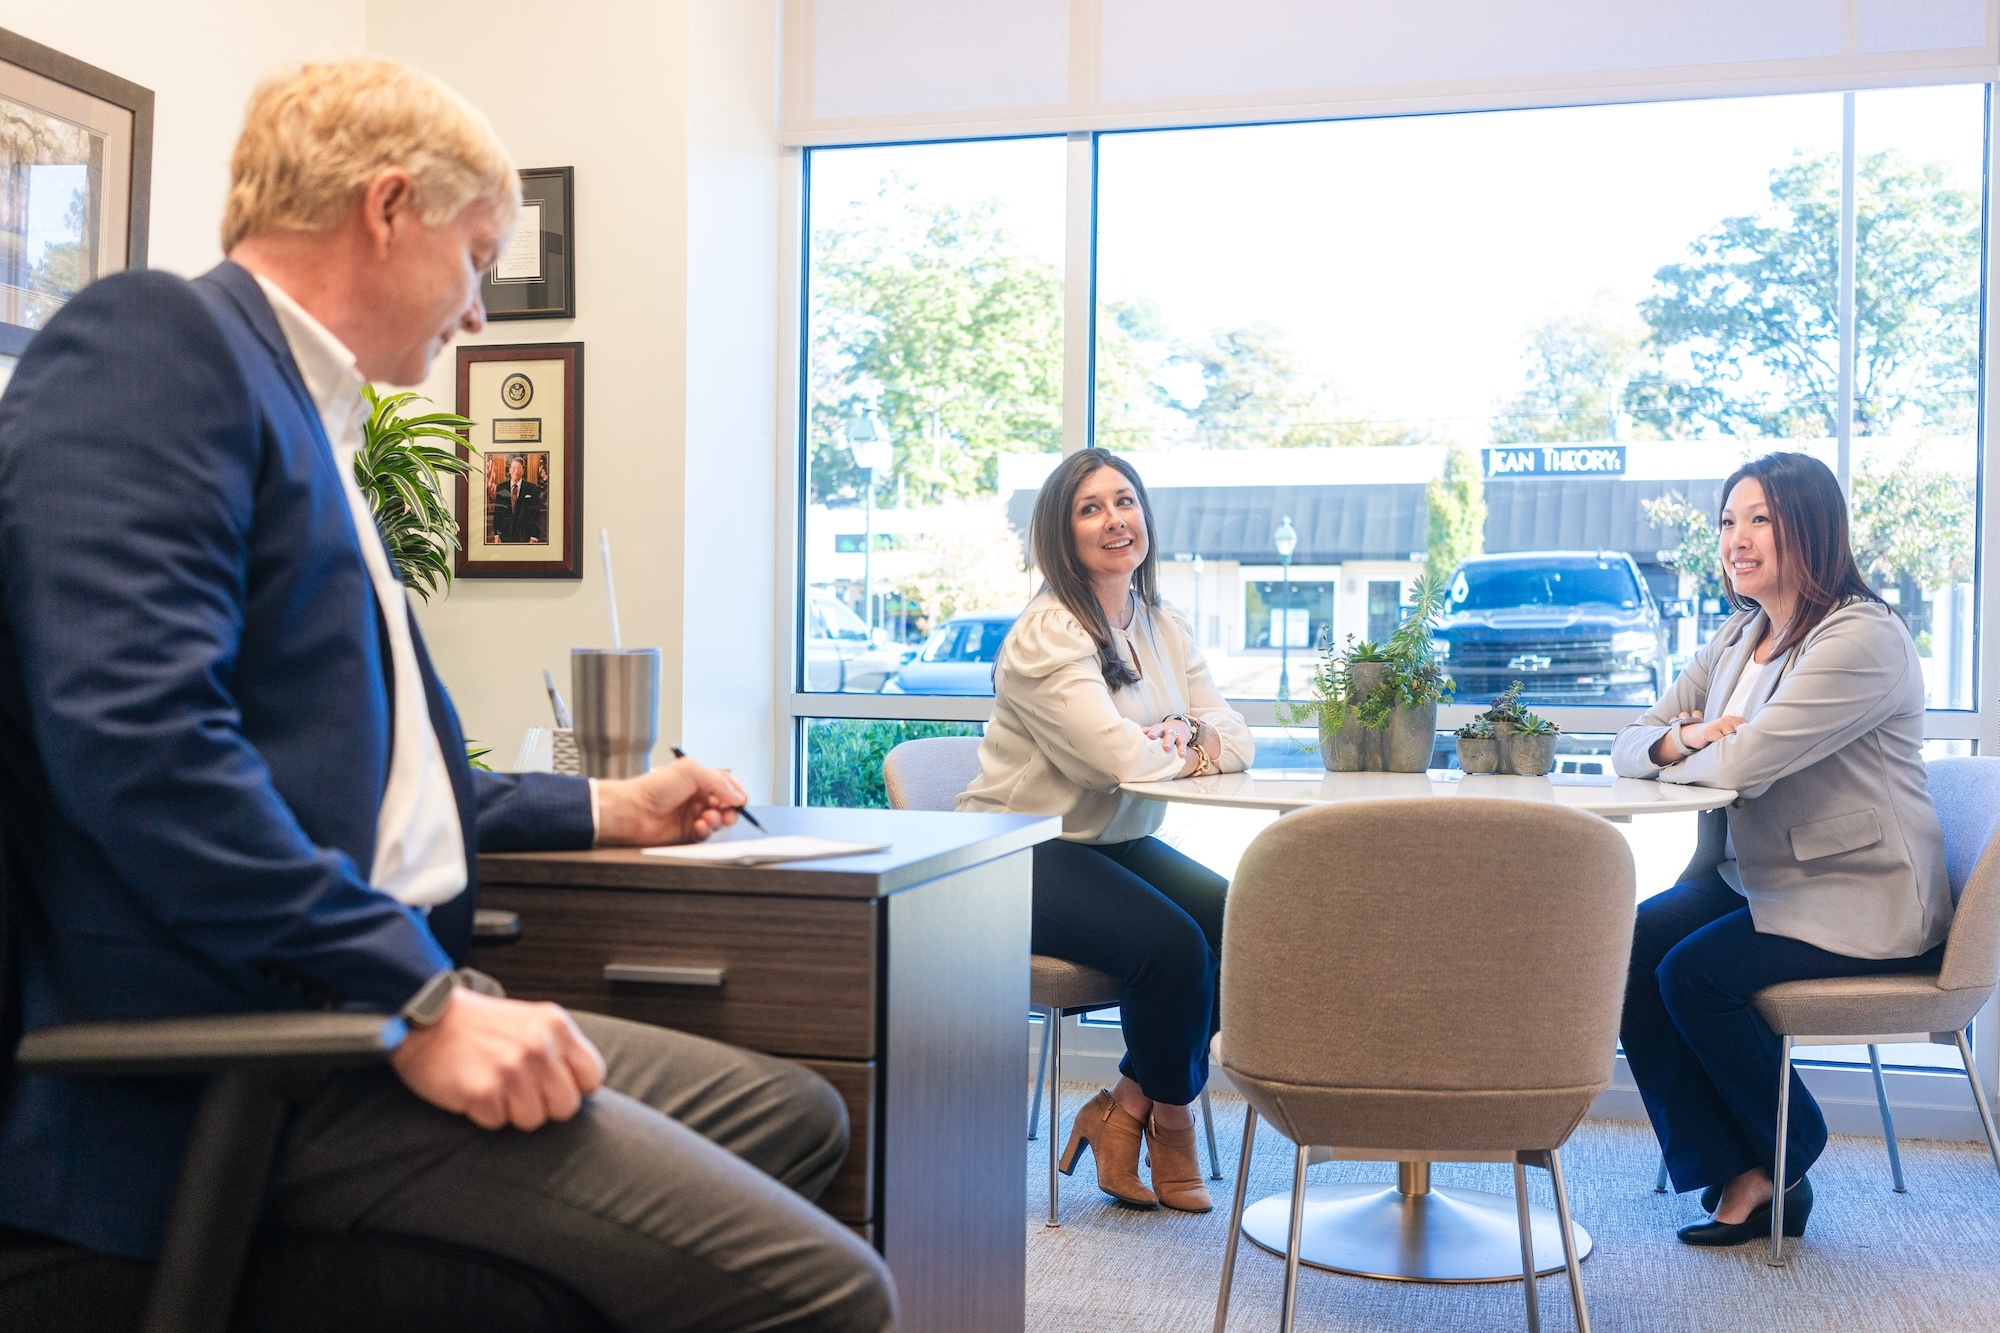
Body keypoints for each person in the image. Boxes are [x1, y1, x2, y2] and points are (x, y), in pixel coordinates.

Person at [0, 59, 892, 1332]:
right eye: (478, 259)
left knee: (790, 1113)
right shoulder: (157, 342)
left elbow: (387, 787)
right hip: (254, 1050)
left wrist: (609, 808)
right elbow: (139, 743)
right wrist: (409, 1000)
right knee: (829, 1296)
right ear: (387, 207)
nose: (480, 313)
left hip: (360, 996)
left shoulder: (314, 422)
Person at [1611, 451, 1951, 1249]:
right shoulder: (1740, 635)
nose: (1738, 538)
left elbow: (1745, 764)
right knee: (1624, 946)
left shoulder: (1862, 637)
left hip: (1858, 893)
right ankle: (1744, 1166)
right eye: (1729, 520)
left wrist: (1698, 747)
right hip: (1760, 879)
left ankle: (1786, 1152)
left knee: (1690, 974)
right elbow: (1632, 742)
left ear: (1812, 527)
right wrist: (1686, 735)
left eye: (1760, 518)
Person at [956, 448, 1251, 1214]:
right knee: (1172, 946)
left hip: (1106, 839)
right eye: (1091, 507)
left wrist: (1177, 740)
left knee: (1248, 926)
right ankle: (1174, 1121)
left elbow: (1237, 735)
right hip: (1015, 846)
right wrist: (1188, 740)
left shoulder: (1160, 624)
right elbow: (1108, 759)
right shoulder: (1049, 633)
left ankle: (1122, 1105)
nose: (1115, 519)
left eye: (1125, 500)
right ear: (1062, 532)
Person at [494, 451, 546, 543]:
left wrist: (534, 537)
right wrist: (496, 535)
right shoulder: (501, 488)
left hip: (525, 535)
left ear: (523, 471)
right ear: (509, 470)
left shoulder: (532, 488)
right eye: (513, 468)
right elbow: (498, 512)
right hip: (505, 535)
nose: (516, 471)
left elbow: (535, 514)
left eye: (519, 468)